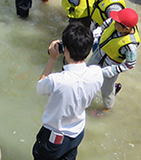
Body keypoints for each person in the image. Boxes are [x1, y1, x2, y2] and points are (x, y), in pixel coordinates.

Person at [33, 23, 103, 160]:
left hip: (55, 139)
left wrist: (52, 59)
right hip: (77, 133)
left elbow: (40, 87)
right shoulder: (97, 73)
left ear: (65, 49)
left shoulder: (57, 80)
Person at [88, 8, 139, 113]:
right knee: (87, 75)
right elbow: (107, 23)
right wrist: (98, 31)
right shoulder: (116, 22)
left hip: (110, 65)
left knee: (107, 91)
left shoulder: (130, 46)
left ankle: (107, 108)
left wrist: (113, 70)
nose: (114, 22)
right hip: (99, 53)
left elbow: (130, 64)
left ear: (126, 28)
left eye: (118, 23)